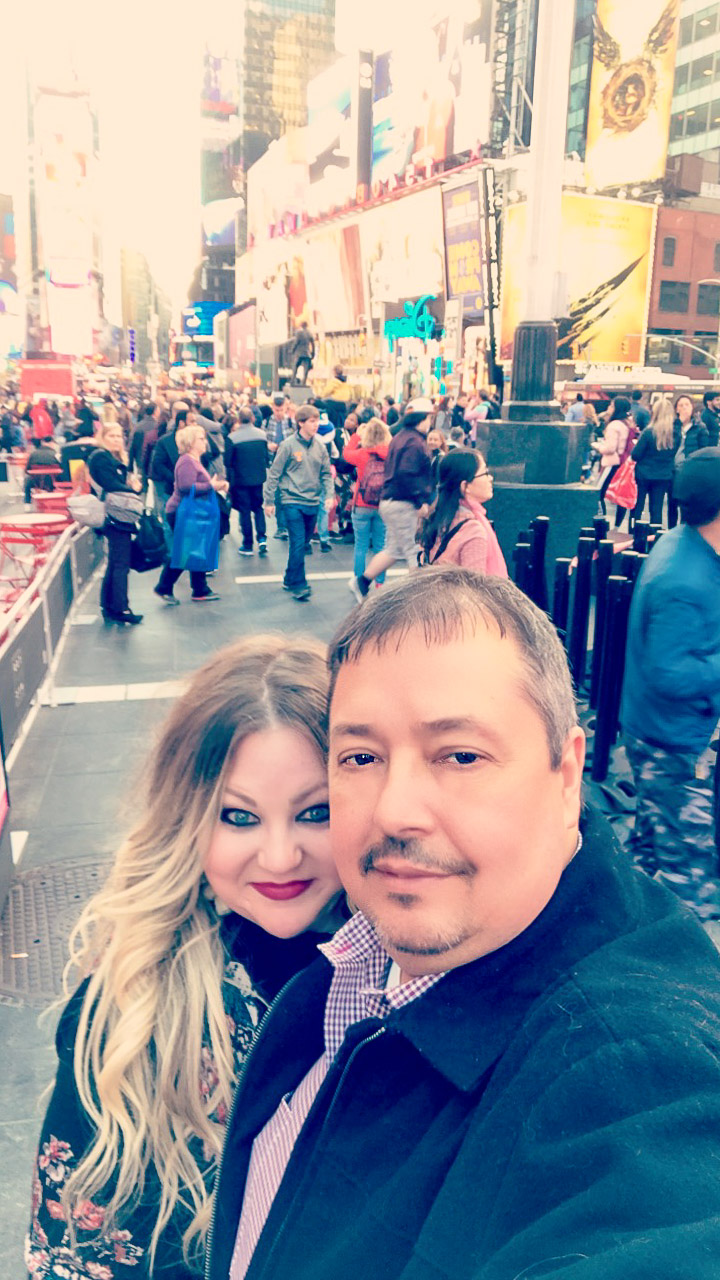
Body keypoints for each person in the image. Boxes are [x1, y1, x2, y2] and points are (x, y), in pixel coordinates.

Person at [206, 569, 720, 1280]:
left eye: (460, 756)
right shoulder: (344, 961)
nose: (395, 809)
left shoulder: (634, 1066)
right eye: (361, 757)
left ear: (565, 775)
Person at [26, 636, 348, 1280]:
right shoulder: (125, 1016)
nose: (280, 856)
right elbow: (69, 1257)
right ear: (189, 822)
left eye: (317, 811)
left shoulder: (415, 981)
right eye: (239, 816)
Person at [622, 446, 720, 921]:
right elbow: (670, 672)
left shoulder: (684, 544)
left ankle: (622, 928)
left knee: (651, 849)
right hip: (671, 740)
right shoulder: (687, 579)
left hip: (657, 732)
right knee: (691, 875)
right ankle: (686, 973)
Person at [350, 398, 433, 602]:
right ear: (424, 418)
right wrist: (419, 501)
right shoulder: (415, 442)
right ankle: (419, 596)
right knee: (412, 549)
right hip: (403, 502)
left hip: (389, 501)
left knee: (395, 549)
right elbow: (407, 473)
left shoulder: (400, 437)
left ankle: (362, 581)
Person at [263, 404, 333, 602]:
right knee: (297, 543)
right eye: (312, 421)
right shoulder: (288, 445)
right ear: (301, 423)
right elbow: (274, 474)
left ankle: (289, 577)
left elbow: (327, 473)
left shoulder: (320, 446)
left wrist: (329, 494)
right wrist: (269, 500)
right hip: (291, 500)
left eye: (317, 420)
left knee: (303, 543)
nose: (316, 424)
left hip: (312, 501)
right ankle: (299, 584)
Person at [154, 424, 226, 604]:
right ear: (191, 442)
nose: (205, 442)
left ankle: (200, 589)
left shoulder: (192, 460)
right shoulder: (187, 461)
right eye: (201, 439)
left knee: (195, 550)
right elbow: (186, 487)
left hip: (190, 512)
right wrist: (212, 486)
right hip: (183, 512)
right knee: (186, 552)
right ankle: (164, 586)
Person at [88, 415, 143, 625]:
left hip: (116, 515)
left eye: (119, 435)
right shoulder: (101, 457)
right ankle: (121, 608)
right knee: (120, 563)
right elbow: (111, 485)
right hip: (114, 516)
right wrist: (132, 489)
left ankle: (110, 605)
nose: (116, 439)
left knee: (115, 563)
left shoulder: (111, 457)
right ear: (102, 437)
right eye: (111, 435)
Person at [420, 449, 507, 575]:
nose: (490, 478)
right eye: (485, 473)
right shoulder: (472, 530)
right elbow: (474, 587)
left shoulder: (438, 518)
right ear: (465, 486)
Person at [343, 417, 391, 591]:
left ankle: (359, 581)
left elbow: (346, 454)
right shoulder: (391, 455)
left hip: (362, 504)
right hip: (383, 505)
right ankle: (380, 582)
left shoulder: (363, 454)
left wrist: (356, 436)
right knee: (380, 546)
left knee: (361, 545)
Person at [226, 408, 270, 558]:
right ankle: (262, 538)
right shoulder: (262, 435)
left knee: (245, 511)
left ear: (238, 420)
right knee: (258, 508)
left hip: (241, 480)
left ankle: (248, 544)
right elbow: (266, 455)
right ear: (252, 418)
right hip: (258, 478)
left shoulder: (232, 438)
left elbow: (228, 461)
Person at [631, 396, 680, 526]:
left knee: (638, 505)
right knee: (656, 509)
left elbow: (635, 455)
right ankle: (655, 535)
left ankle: (636, 533)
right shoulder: (676, 434)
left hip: (643, 474)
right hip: (664, 475)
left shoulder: (648, 432)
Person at [592, 395, 631, 515]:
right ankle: (617, 526)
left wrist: (597, 446)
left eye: (612, 405)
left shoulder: (614, 425)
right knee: (619, 495)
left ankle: (600, 520)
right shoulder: (627, 423)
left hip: (610, 462)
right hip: (622, 462)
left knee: (599, 493)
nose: (609, 407)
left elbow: (610, 448)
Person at [24, 436, 59, 504]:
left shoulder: (33, 454)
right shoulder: (55, 455)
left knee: (27, 480)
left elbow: (27, 470)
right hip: (52, 481)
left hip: (36, 481)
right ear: (52, 443)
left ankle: (27, 503)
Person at [425, 426, 448, 496]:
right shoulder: (424, 453)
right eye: (430, 439)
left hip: (434, 489)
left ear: (441, 442)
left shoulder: (441, 457)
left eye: (435, 440)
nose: (432, 442)